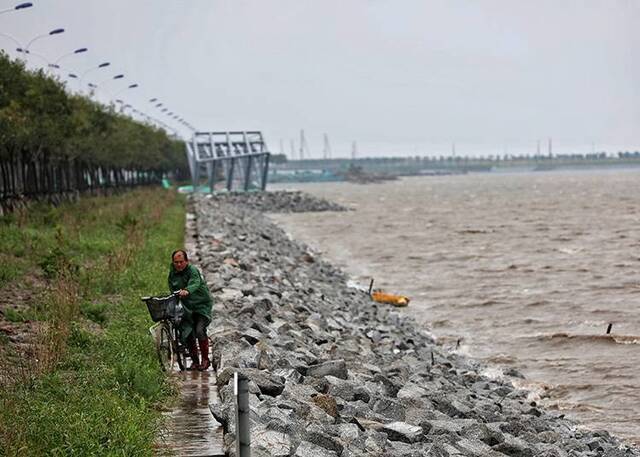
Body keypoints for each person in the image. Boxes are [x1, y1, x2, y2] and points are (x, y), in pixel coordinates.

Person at [168, 249, 213, 371]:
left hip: (201, 305)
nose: (178, 264)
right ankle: (195, 362)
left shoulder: (193, 270)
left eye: (181, 262)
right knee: (188, 332)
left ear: (186, 261)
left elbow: (195, 282)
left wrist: (187, 290)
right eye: (176, 262)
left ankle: (205, 360)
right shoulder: (172, 273)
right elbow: (172, 288)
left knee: (199, 330)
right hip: (187, 307)